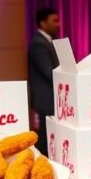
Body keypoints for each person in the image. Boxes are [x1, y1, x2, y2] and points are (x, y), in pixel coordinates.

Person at [28, 8, 61, 152]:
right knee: (45, 135)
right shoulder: (38, 44)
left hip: (50, 97)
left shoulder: (48, 41)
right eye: (54, 21)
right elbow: (48, 71)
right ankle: (41, 163)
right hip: (45, 98)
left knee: (48, 134)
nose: (58, 24)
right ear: (43, 23)